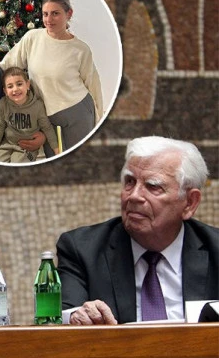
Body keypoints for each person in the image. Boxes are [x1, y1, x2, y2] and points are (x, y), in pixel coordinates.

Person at [56, 136, 217, 325]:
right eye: (130, 182)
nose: (134, 196)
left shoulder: (215, 248)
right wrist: (78, 316)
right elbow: (64, 316)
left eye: (153, 186)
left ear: (189, 203)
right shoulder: (82, 250)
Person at [1, 0, 104, 151]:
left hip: (77, 110)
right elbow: (7, 65)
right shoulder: (32, 38)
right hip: (45, 117)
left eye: (55, 13)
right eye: (45, 14)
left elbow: (93, 85)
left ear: (69, 14)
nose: (49, 19)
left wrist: (100, 120)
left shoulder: (81, 50)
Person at [0, 67, 59, 163]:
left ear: (27, 85)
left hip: (27, 147)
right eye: (10, 86)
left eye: (19, 84)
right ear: (5, 91)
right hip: (7, 143)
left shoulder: (38, 106)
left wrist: (56, 150)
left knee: (17, 166)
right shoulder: (3, 103)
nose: (15, 89)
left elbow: (47, 127)